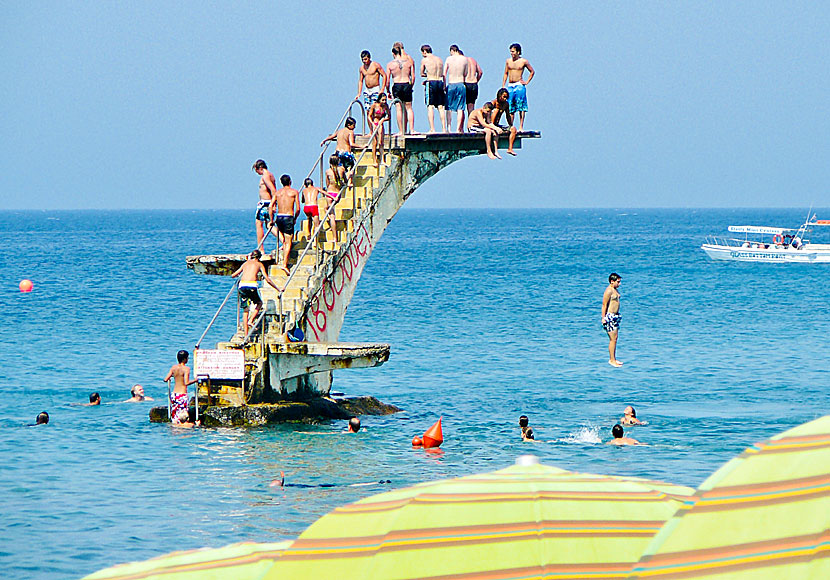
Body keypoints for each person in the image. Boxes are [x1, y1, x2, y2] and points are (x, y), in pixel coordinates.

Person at [231, 250, 283, 337]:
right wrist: (278, 288)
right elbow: (267, 279)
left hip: (242, 286)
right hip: (252, 286)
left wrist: (234, 275)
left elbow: (234, 275)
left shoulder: (245, 263)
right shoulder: (259, 264)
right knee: (259, 303)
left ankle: (246, 334)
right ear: (259, 257)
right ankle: (251, 321)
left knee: (245, 310)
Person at [269, 174, 301, 274]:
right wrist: (295, 218)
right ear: (290, 182)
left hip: (279, 217)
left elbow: (271, 206)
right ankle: (284, 264)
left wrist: (271, 219)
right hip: (288, 217)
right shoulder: (294, 192)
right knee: (288, 241)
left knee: (283, 238)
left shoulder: (278, 193)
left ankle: (282, 252)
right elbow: (298, 208)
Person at [502, 43, 535, 131]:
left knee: (521, 106)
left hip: (519, 85)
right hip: (510, 85)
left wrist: (526, 82)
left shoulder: (523, 61)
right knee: (510, 106)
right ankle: (511, 125)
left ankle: (521, 126)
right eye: (511, 52)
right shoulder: (508, 61)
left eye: (513, 51)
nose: (511, 53)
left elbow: (532, 71)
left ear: (518, 52)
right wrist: (503, 85)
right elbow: (505, 73)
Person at [387, 45, 415, 135]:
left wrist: (387, 91)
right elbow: (413, 77)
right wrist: (411, 86)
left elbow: (388, 80)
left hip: (397, 85)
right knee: (409, 108)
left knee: (399, 109)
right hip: (406, 83)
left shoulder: (390, 64)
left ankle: (401, 131)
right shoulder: (408, 63)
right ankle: (412, 129)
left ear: (393, 53)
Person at [164, 350, 198, 425]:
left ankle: (175, 432)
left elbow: (165, 379)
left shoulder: (174, 368)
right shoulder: (186, 369)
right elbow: (186, 383)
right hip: (182, 395)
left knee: (175, 416)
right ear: (184, 359)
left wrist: (175, 376)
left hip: (174, 394)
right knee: (183, 417)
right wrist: (195, 380)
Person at [321, 117, 358, 183]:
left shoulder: (339, 131)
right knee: (352, 167)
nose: (354, 127)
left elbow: (331, 136)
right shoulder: (350, 132)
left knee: (339, 168)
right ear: (349, 125)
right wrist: (362, 146)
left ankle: (339, 181)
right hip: (346, 153)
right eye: (353, 125)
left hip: (338, 153)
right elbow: (352, 144)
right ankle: (350, 182)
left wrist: (324, 140)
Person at [420, 44, 446, 133]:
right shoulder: (439, 60)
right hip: (439, 82)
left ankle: (432, 128)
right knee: (440, 107)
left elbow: (421, 73)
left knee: (430, 106)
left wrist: (427, 75)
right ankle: (444, 128)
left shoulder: (425, 60)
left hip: (431, 82)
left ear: (424, 52)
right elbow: (442, 74)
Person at [252, 159, 278, 251]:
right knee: (269, 225)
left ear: (260, 168)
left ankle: (260, 249)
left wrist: (273, 204)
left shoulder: (265, 176)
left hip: (266, 204)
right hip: (267, 203)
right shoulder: (271, 175)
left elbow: (273, 190)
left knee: (259, 224)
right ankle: (283, 241)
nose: (257, 173)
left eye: (256, 170)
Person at [322, 154, 346, 243]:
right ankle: (333, 230)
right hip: (337, 194)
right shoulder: (342, 170)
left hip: (330, 194)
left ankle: (334, 236)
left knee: (331, 215)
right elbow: (344, 180)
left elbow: (327, 184)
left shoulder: (328, 171)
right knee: (326, 209)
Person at [443, 45, 468, 133]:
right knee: (460, 108)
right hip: (461, 83)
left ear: (452, 50)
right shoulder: (464, 59)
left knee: (448, 107)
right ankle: (458, 129)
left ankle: (449, 128)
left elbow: (444, 74)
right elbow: (465, 73)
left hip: (451, 83)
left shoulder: (449, 59)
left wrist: (444, 85)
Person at [602, 273, 623, 367]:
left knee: (615, 338)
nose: (619, 284)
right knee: (612, 339)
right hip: (610, 316)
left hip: (616, 316)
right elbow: (604, 305)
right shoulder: (609, 291)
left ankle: (614, 358)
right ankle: (611, 360)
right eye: (618, 282)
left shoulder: (615, 290)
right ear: (612, 281)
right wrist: (603, 318)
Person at [489, 88, 518, 155]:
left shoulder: (506, 104)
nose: (505, 99)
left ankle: (510, 149)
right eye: (504, 97)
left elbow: (507, 115)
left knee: (513, 129)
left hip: (497, 125)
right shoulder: (493, 103)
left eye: (506, 97)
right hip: (490, 124)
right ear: (499, 96)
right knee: (496, 110)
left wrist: (510, 125)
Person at [367, 93, 390, 168]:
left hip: (381, 123)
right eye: (382, 100)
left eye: (385, 100)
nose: (384, 101)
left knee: (381, 142)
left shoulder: (385, 106)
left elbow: (389, 116)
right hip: (375, 122)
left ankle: (382, 160)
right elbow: (369, 116)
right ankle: (374, 160)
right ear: (379, 99)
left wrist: (383, 119)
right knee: (375, 142)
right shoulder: (374, 105)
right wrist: (372, 123)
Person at [464, 51, 483, 120]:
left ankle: (461, 128)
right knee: (471, 106)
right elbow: (480, 72)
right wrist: (476, 80)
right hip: (474, 84)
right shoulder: (473, 60)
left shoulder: (463, 61)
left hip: (467, 83)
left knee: (462, 107)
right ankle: (471, 124)